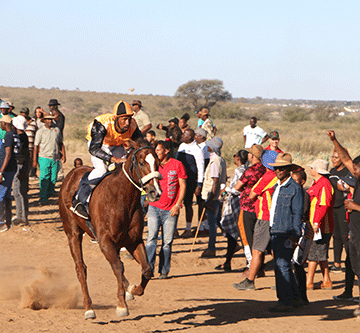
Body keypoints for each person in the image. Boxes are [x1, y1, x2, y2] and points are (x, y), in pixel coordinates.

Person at [71, 100, 142, 219]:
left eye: (129, 119)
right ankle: (80, 198)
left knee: (123, 169)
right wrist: (113, 159)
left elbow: (141, 144)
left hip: (116, 144)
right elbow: (94, 149)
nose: (127, 123)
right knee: (101, 170)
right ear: (116, 118)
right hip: (99, 144)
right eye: (124, 119)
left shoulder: (133, 125)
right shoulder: (102, 124)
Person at [233, 150, 278, 290]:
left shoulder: (268, 176)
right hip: (276, 216)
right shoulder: (280, 176)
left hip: (264, 215)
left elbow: (252, 194)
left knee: (257, 249)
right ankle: (284, 279)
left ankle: (250, 280)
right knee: (274, 249)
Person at [327, 130, 360, 316]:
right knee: (355, 265)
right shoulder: (357, 178)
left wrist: (355, 206)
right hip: (354, 230)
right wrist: (334, 140)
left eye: (355, 168)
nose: (352, 170)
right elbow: (345, 158)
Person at [145, 140, 187, 279]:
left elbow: (182, 185)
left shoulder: (177, 165)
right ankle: (148, 269)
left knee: (167, 242)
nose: (157, 153)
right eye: (155, 150)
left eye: (159, 150)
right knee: (151, 239)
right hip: (154, 207)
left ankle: (163, 270)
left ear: (167, 150)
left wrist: (178, 204)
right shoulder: (153, 166)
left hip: (170, 210)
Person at [268, 153, 303, 312]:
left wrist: (295, 234)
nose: (278, 171)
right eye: (276, 168)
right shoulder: (277, 186)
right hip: (276, 230)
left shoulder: (294, 188)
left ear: (288, 169)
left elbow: (297, 213)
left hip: (286, 231)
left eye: (282, 168)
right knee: (283, 265)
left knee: (282, 266)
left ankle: (285, 301)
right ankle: (295, 298)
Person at [216, 149, 248, 271]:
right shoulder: (242, 170)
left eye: (235, 156)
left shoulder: (241, 171)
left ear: (238, 158)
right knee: (234, 235)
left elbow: (237, 189)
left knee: (239, 234)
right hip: (235, 204)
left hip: (237, 204)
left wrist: (226, 190)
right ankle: (228, 262)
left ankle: (249, 265)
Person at [235, 144, 266, 270]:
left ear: (252, 156)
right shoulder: (265, 170)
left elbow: (237, 186)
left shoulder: (251, 170)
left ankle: (251, 266)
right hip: (260, 208)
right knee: (259, 238)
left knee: (247, 238)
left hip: (248, 207)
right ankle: (260, 266)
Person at [306, 159, 334, 290]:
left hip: (321, 226)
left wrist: (316, 222)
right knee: (320, 254)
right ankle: (326, 280)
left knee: (313, 254)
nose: (310, 170)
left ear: (317, 171)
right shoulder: (319, 183)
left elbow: (323, 205)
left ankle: (309, 281)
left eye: (312, 168)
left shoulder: (324, 184)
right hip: (319, 225)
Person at [200, 137, 227, 258]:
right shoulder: (221, 160)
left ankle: (211, 248)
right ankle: (232, 241)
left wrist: (209, 200)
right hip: (217, 197)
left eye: (209, 145)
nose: (207, 147)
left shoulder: (214, 162)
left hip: (212, 197)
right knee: (217, 221)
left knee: (212, 224)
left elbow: (215, 182)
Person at [176, 129, 204, 238]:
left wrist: (199, 185)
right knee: (176, 203)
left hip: (190, 180)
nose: (182, 135)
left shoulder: (197, 150)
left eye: (184, 134)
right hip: (179, 179)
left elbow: (200, 168)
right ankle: (174, 229)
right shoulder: (182, 146)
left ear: (190, 136)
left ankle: (188, 229)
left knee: (188, 204)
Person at [291, 168, 313, 306]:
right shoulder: (295, 193)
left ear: (303, 182)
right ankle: (297, 294)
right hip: (297, 229)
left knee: (297, 264)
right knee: (294, 263)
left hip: (302, 230)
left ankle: (302, 296)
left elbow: (302, 213)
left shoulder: (304, 195)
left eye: (296, 180)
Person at [33, 115, 66, 205]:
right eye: (47, 119)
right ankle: (43, 197)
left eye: (51, 119)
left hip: (55, 158)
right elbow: (36, 146)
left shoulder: (56, 130)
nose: (49, 121)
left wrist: (64, 154)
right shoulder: (40, 131)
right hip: (44, 157)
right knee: (44, 177)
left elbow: (60, 143)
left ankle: (50, 193)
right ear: (44, 121)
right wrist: (34, 160)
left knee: (53, 177)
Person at [329, 148, 349, 272]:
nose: (334, 160)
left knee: (345, 236)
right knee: (335, 236)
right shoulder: (332, 171)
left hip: (344, 207)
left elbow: (352, 187)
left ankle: (350, 263)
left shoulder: (348, 171)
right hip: (333, 207)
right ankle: (337, 263)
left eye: (337, 157)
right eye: (333, 157)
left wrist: (344, 189)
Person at [0, 115, 20, 233]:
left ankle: (2, 223)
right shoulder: (14, 134)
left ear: (5, 124)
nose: (0, 125)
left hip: (7, 169)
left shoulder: (8, 136)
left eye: (1, 123)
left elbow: (8, 155)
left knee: (0, 195)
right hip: (12, 168)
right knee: (6, 194)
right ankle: (7, 219)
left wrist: (1, 171)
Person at [12, 116, 30, 224]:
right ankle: (24, 215)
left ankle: (21, 215)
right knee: (22, 191)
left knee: (17, 191)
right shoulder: (25, 136)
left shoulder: (19, 137)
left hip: (19, 165)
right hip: (24, 165)